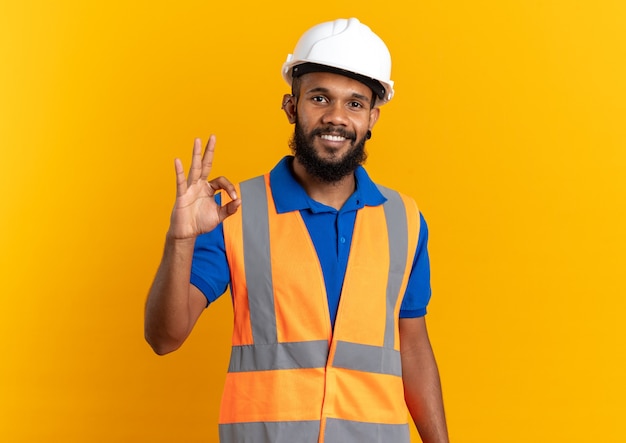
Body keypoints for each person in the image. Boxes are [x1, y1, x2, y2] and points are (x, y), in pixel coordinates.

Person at [145, 17, 449, 443]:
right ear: (291, 106)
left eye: (355, 104)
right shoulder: (235, 212)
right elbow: (164, 337)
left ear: (373, 117)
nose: (336, 118)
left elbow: (413, 347)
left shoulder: (404, 218)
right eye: (320, 98)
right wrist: (179, 241)